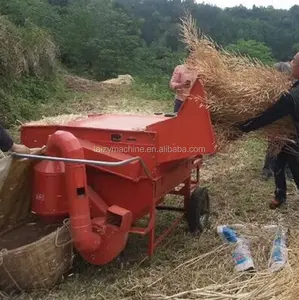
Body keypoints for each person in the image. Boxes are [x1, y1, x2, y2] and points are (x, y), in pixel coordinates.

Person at [237, 52, 299, 209]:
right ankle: (280, 196)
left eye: (294, 62)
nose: (291, 63)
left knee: (296, 168)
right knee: (278, 163)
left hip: (295, 137)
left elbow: (268, 116)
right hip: (287, 134)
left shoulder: (291, 96)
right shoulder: (294, 87)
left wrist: (245, 127)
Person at [261, 61, 293, 181]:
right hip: (276, 120)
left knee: (290, 142)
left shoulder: (293, 86)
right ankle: (267, 168)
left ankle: (288, 169)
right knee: (273, 143)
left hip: (289, 120)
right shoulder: (271, 88)